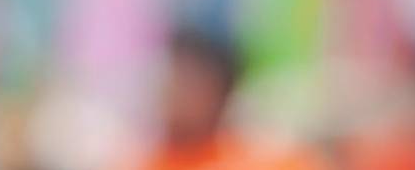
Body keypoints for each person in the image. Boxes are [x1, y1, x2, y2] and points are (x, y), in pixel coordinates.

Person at [126, 28, 322, 170]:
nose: (172, 92)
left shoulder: (271, 161)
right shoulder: (139, 161)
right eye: (172, 78)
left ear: (221, 93)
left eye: (188, 83)